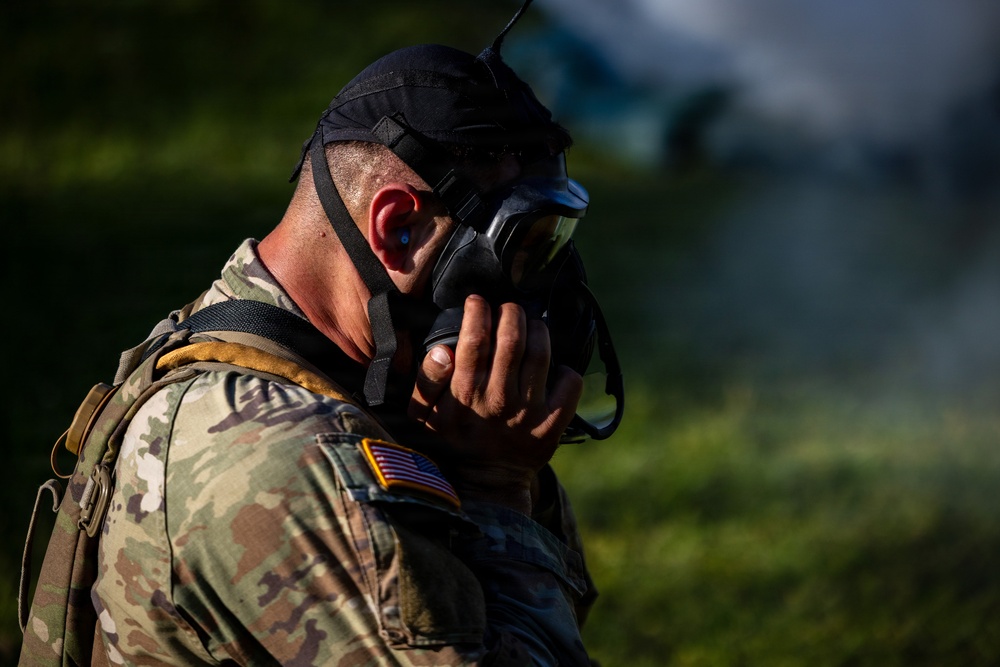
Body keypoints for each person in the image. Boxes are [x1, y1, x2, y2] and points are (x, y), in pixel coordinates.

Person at [77, 16, 623, 667]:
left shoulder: (281, 344)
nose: (534, 290)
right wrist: (498, 489)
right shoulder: (281, 460)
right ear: (397, 228)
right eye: (520, 245)